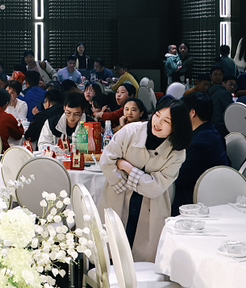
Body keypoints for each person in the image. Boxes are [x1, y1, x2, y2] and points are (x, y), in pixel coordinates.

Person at [99, 97, 191, 261]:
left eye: (166, 121)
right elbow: (107, 160)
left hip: (152, 206)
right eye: (157, 115)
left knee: (143, 260)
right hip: (117, 198)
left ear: (177, 127)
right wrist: (126, 181)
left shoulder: (177, 153)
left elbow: (155, 187)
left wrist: (127, 167)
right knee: (110, 252)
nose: (158, 123)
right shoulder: (130, 131)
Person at [172, 93, 230, 215]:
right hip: (208, 188)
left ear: (192, 113)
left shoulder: (201, 142)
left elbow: (179, 178)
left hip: (197, 200)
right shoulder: (210, 131)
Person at [207, 68, 233, 135]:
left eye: (220, 74)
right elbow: (230, 110)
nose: (218, 77)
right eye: (215, 74)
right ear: (211, 76)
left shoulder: (207, 91)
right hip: (222, 125)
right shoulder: (224, 93)